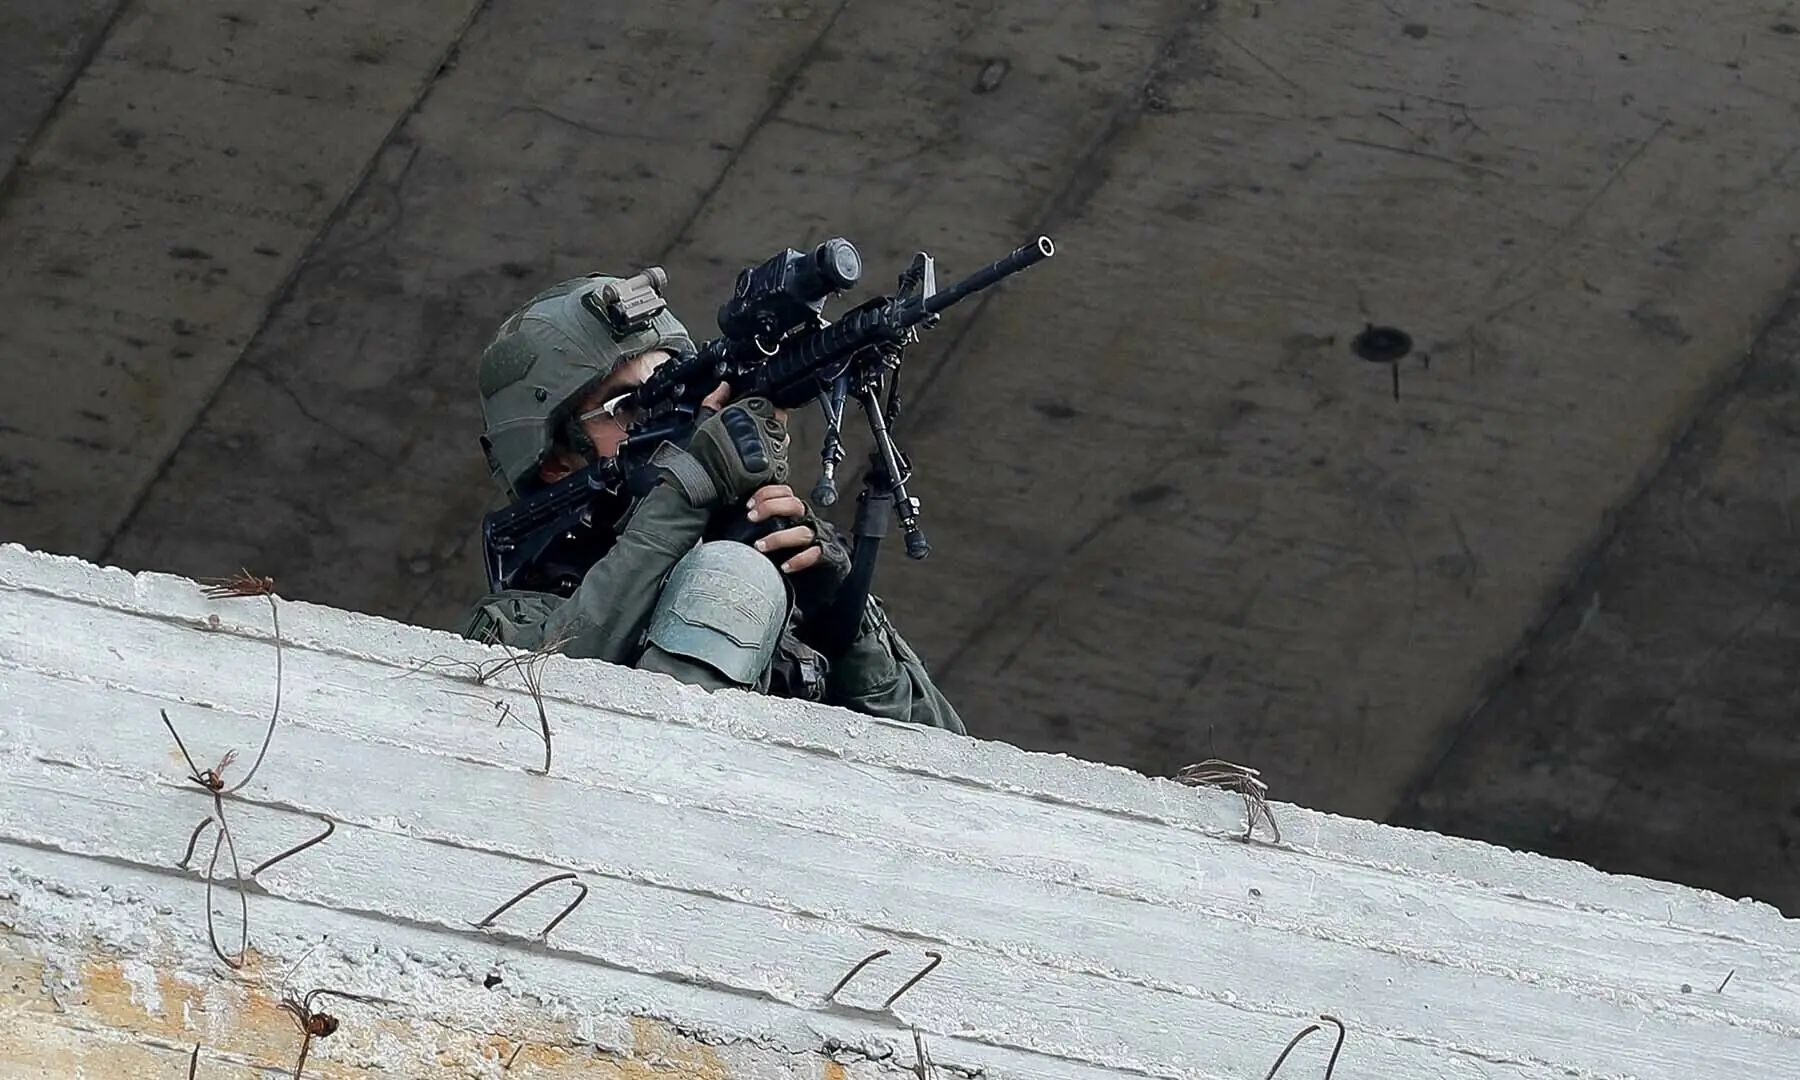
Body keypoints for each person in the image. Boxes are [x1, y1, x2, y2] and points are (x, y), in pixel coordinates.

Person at [456, 271, 966, 735]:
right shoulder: (512, 622)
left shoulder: (765, 572)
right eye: (632, 406)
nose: (673, 424)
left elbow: (952, 771)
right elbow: (537, 706)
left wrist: (843, 622)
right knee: (728, 573)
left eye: (679, 398)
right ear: (556, 462)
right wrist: (688, 492)